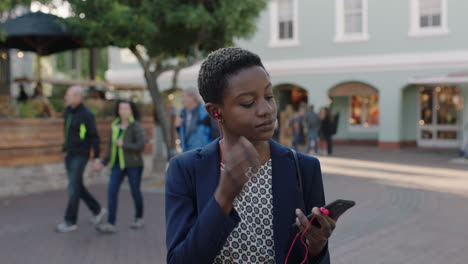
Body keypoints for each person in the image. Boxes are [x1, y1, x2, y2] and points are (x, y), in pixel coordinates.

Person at [165, 47, 334, 263]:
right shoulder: (186, 170)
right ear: (215, 112)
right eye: (248, 103)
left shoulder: (303, 168)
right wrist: (223, 198)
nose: (267, 109)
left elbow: (317, 259)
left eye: (269, 96)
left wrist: (317, 247)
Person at [55, 86, 106, 233]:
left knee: (72, 187)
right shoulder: (68, 112)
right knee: (77, 186)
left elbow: (94, 137)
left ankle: (70, 221)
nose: (66, 98)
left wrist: (96, 157)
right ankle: (97, 210)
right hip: (69, 154)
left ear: (78, 97)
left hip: (81, 155)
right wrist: (65, 149)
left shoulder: (87, 114)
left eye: (68, 95)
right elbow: (67, 133)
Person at [94, 99, 146, 233]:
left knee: (135, 192)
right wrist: (103, 162)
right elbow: (111, 147)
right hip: (117, 164)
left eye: (126, 109)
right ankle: (111, 223)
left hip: (134, 165)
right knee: (111, 191)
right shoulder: (115, 125)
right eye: (121, 108)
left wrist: (125, 145)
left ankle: (139, 217)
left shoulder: (135, 126)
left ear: (131, 111)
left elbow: (141, 146)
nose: (123, 111)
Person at [176, 88, 215, 152]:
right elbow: (184, 137)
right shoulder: (182, 114)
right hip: (187, 155)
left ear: (192, 98)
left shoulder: (206, 112)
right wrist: (178, 128)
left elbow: (217, 134)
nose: (182, 100)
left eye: (184, 97)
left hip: (204, 155)